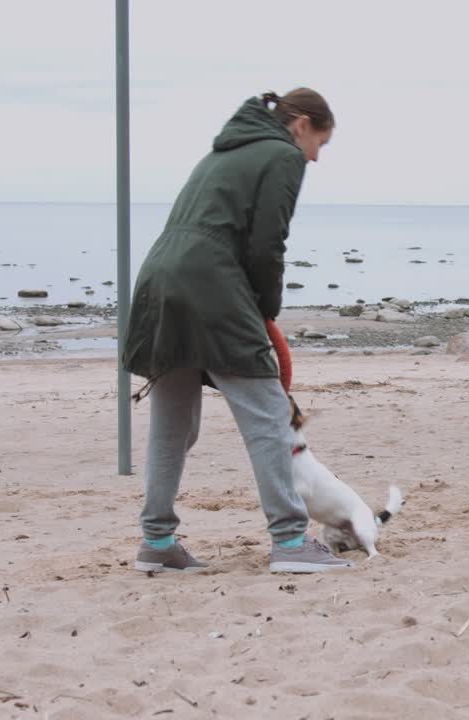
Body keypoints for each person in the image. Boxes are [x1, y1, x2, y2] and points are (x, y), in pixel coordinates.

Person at [122, 89, 350, 574]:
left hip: (161, 280)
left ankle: (157, 543)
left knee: (173, 424)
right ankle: (290, 543)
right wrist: (266, 309)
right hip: (210, 285)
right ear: (302, 124)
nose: (314, 157)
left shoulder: (223, 151)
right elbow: (268, 243)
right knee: (268, 414)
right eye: (320, 144)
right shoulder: (282, 154)